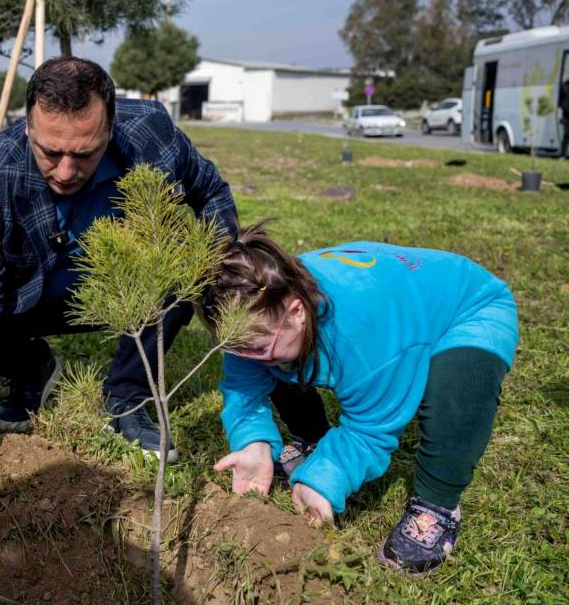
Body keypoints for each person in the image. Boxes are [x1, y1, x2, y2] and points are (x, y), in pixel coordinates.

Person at [0, 57, 238, 487]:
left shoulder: (152, 135)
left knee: (177, 262)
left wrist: (218, 264)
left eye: (84, 153)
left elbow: (210, 190)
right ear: (28, 128)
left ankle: (128, 395)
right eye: (50, 152)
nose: (65, 171)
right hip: (18, 294)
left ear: (110, 129)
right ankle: (30, 365)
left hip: (113, 290)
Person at [201, 223, 518, 577]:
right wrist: (253, 443)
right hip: (394, 297)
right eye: (234, 347)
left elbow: (370, 427)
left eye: (255, 346)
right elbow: (245, 381)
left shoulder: (364, 340)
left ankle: (437, 506)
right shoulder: (258, 305)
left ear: (297, 311)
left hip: (468, 307)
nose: (245, 356)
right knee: (276, 362)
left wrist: (324, 479)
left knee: (457, 393)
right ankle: (311, 441)